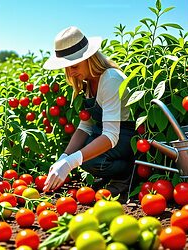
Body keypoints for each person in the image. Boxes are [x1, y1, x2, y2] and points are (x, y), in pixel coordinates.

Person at [42, 26, 136, 197]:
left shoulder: (110, 79)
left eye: (74, 66)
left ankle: (127, 174)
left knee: (90, 159)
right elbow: (85, 126)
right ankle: (113, 173)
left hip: (125, 136)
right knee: (83, 154)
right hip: (107, 134)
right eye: (67, 67)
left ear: (89, 59)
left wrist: (71, 162)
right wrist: (64, 158)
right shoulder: (88, 81)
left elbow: (111, 136)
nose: (70, 72)